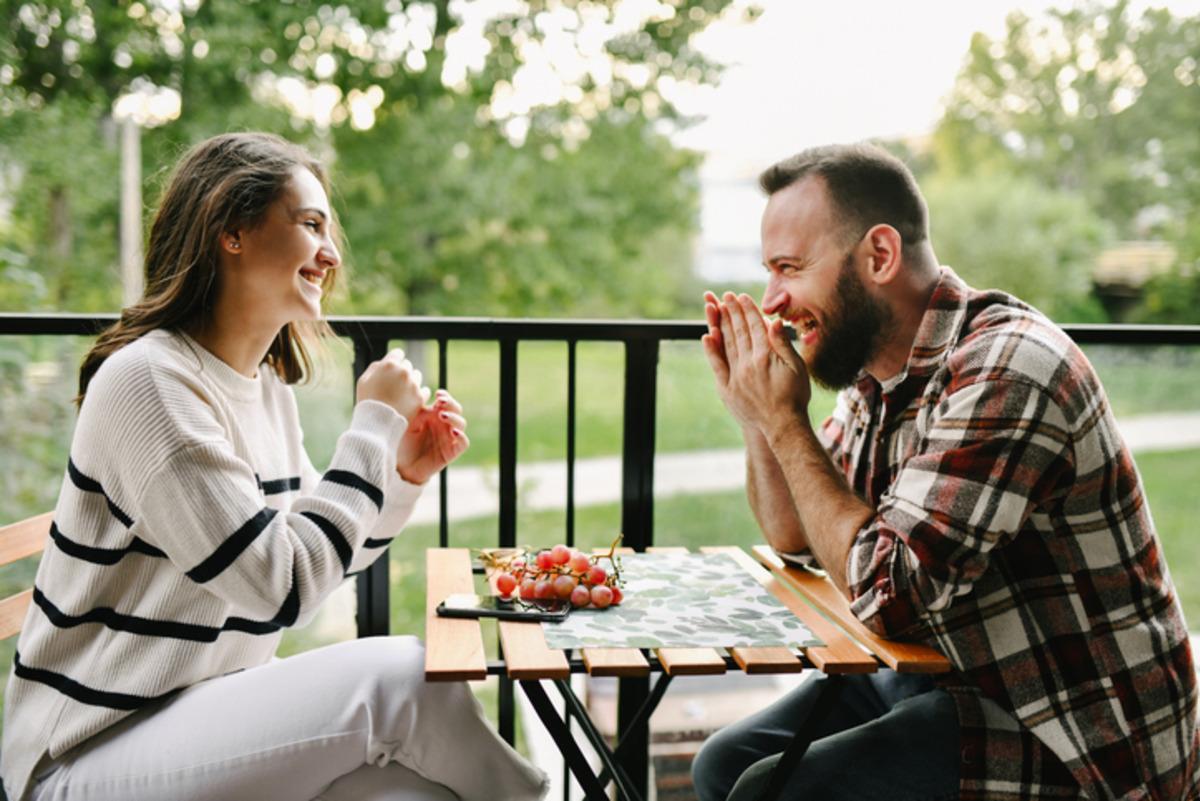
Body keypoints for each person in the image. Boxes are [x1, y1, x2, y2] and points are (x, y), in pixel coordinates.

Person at [2, 132, 549, 801]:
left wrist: (399, 476)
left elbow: (318, 556)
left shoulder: (262, 383)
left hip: (196, 714)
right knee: (403, 677)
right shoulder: (149, 383)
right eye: (310, 223)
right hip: (84, 750)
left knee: (413, 792)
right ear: (231, 230)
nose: (332, 253)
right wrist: (372, 423)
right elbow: (280, 584)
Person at [693, 142, 1199, 800]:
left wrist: (787, 422)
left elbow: (884, 591)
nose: (773, 300)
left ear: (879, 255)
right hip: (938, 675)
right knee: (722, 764)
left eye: (789, 268)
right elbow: (795, 531)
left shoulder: (1007, 365)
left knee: (774, 789)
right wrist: (757, 415)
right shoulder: (878, 378)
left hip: (1069, 727)